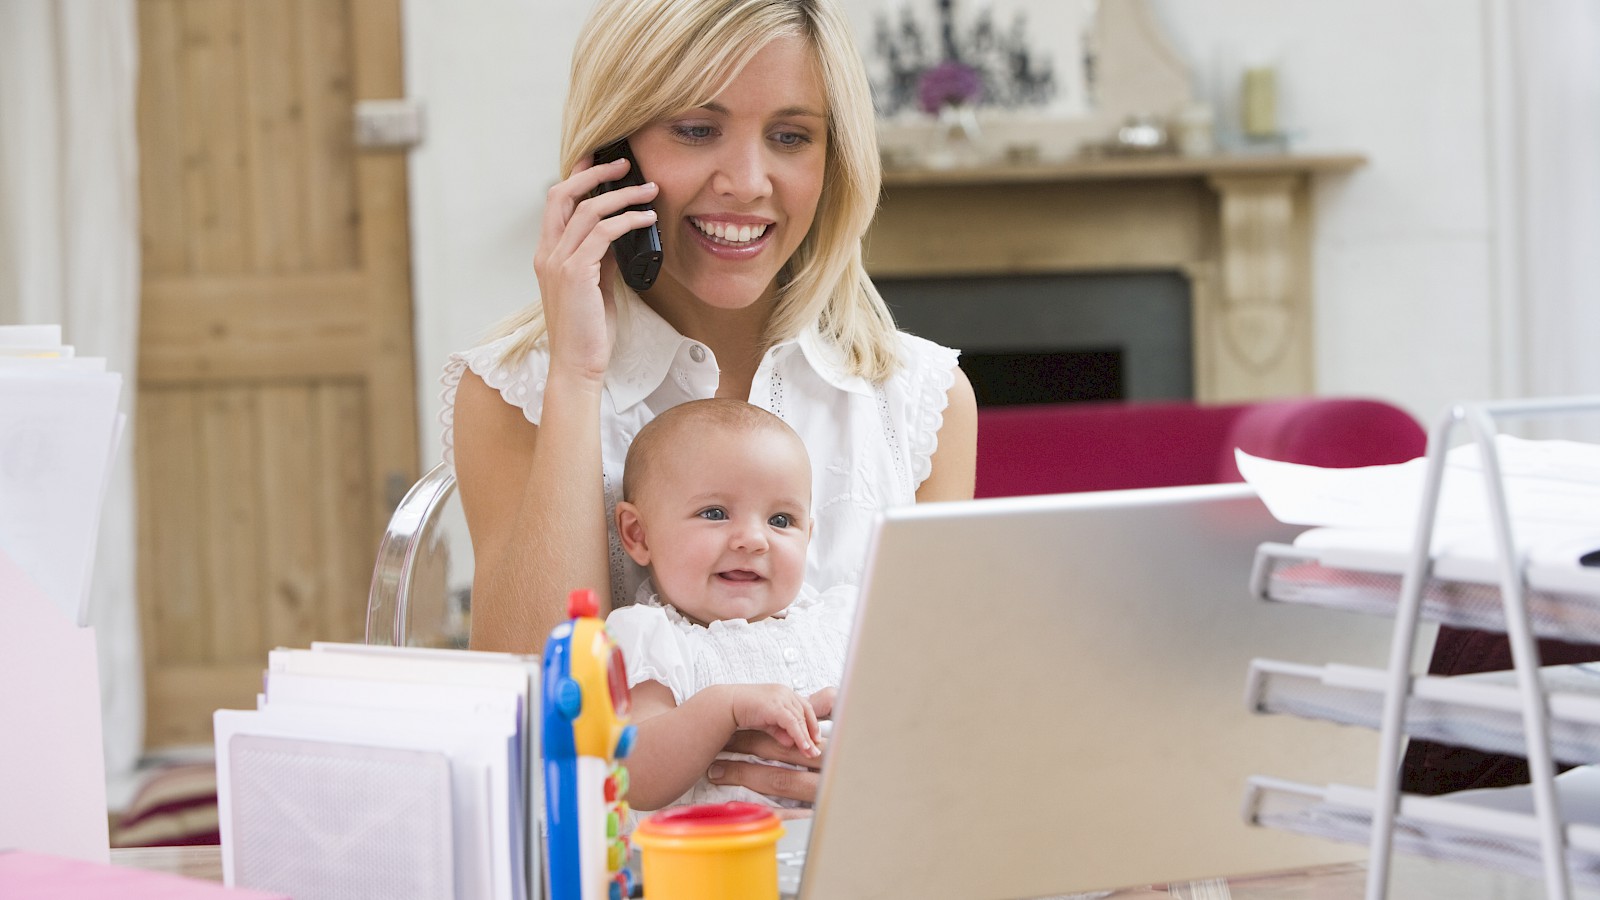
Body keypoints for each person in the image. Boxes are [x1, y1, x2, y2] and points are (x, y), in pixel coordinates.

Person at [441, 0, 977, 806]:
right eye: (697, 129)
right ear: (609, 154)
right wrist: (578, 378)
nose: (747, 183)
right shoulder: (511, 394)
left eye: (792, 137)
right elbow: (533, 732)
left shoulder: (921, 399)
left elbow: (946, 704)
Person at [602, 398, 852, 813]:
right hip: (708, 869)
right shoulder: (653, 639)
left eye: (781, 521)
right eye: (715, 513)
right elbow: (631, 777)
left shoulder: (838, 621)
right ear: (639, 535)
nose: (753, 539)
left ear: (808, 535)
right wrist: (723, 707)